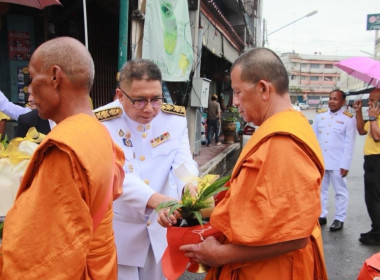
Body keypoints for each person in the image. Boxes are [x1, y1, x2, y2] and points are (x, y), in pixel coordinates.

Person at [168, 48, 327, 279]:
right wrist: (194, 202)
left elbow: (295, 235)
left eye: (238, 92)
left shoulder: (284, 142)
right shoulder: (278, 128)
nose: (234, 102)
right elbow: (254, 198)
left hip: (274, 269)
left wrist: (222, 255)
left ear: (263, 89)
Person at [0, 37, 125, 279]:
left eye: (32, 78)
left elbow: (43, 259)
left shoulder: (64, 149)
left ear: (55, 77)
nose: (29, 90)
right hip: (101, 266)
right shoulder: (97, 131)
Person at [94, 58, 199, 280]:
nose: (150, 109)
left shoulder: (174, 119)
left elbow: (182, 162)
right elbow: (117, 175)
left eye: (156, 99)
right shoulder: (101, 123)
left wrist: (189, 186)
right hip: (120, 235)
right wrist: (160, 201)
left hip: (160, 232)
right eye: (140, 101)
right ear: (120, 96)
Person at [313, 89, 356, 231]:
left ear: (343, 102)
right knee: (320, 190)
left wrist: (346, 164)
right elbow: (313, 138)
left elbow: (349, 144)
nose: (331, 101)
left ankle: (339, 218)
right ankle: (321, 215)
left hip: (338, 162)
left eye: (335, 99)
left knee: (340, 191)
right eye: (330, 98)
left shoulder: (348, 118)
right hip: (321, 161)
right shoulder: (320, 117)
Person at [353, 88, 380, 246]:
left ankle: (377, 234)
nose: (368, 102)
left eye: (371, 100)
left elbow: (377, 137)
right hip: (371, 160)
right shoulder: (375, 117)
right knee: (372, 198)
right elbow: (362, 130)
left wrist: (373, 117)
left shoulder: (375, 117)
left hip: (377, 160)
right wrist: (358, 113)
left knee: (374, 198)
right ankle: (376, 228)